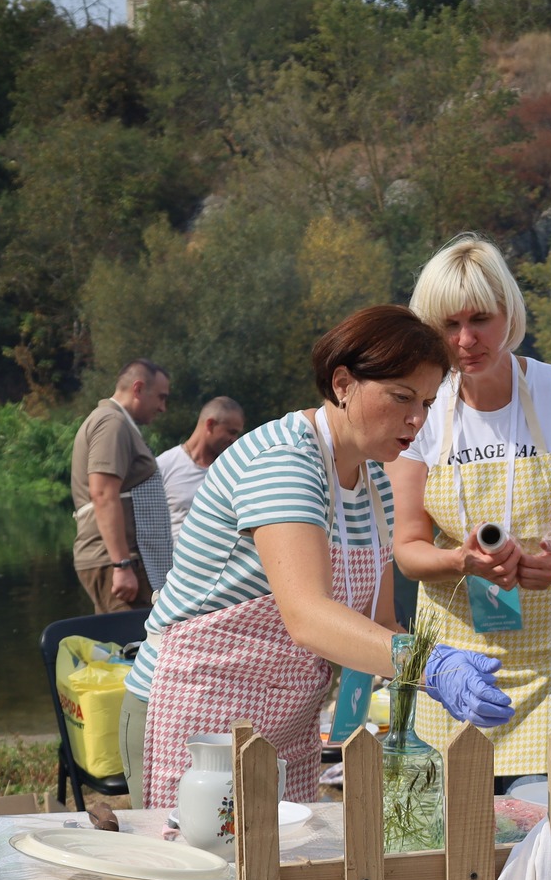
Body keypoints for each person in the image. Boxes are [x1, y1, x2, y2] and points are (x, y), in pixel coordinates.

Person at [122, 306, 510, 811]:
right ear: (343, 383)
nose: (417, 419)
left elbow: (381, 622)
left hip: (282, 725)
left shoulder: (376, 488)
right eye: (401, 397)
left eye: (428, 402)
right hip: (195, 716)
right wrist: (428, 663)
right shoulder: (286, 460)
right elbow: (307, 617)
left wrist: (434, 670)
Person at [393, 235, 551, 792]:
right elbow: (408, 548)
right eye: (449, 325)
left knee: (544, 827)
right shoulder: (420, 412)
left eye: (481, 319)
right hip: (458, 661)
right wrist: (460, 561)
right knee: (462, 838)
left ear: (510, 314)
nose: (466, 340)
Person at [71, 358, 170, 613]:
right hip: (114, 561)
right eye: (160, 397)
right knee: (131, 646)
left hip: (122, 560)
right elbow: (102, 493)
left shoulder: (119, 424)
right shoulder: (111, 423)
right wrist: (121, 565)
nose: (163, 408)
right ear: (137, 389)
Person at [155, 396, 246, 539]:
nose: (234, 440)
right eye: (231, 432)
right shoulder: (164, 465)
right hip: (172, 560)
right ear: (210, 424)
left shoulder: (232, 471)